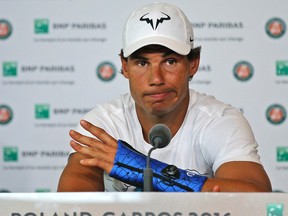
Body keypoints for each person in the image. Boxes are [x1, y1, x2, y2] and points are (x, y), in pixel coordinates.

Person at [57, 2, 272, 192]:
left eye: (169, 61)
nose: (156, 79)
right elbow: (71, 203)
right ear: (124, 67)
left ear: (193, 63)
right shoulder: (104, 123)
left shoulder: (219, 120)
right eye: (142, 63)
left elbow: (255, 196)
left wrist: (139, 168)